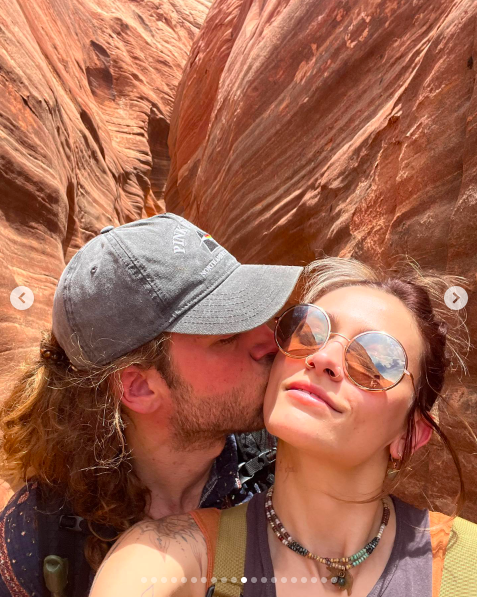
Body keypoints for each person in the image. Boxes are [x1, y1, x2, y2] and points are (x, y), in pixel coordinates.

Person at [90, 256, 477, 597]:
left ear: (409, 435)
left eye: (376, 362)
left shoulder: (466, 565)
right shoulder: (170, 555)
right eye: (307, 331)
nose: (323, 357)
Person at [0, 213, 303, 596]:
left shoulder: (287, 464)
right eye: (226, 338)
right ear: (140, 387)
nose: (270, 340)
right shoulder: (37, 544)